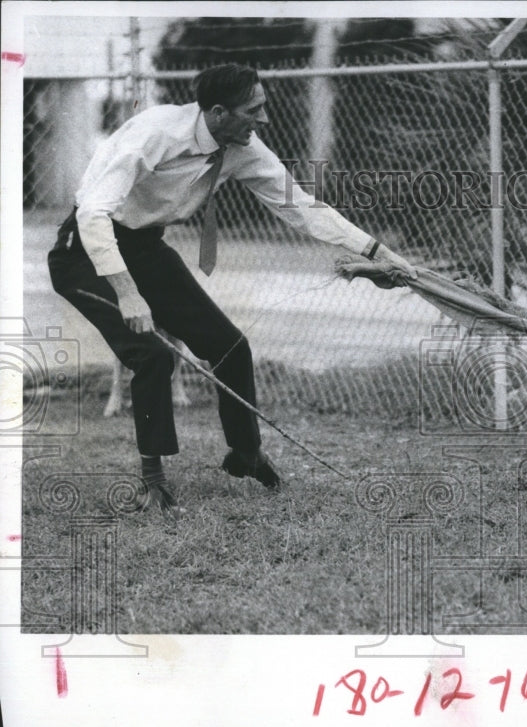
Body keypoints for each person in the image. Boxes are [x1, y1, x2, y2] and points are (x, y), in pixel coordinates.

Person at [48, 63, 415, 517]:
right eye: (254, 110)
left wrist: (377, 251)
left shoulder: (242, 146)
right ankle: (153, 483)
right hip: (84, 253)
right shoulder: (156, 133)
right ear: (219, 112)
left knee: (230, 347)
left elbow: (301, 207)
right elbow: (93, 215)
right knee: (152, 355)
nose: (264, 119)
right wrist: (127, 292)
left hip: (145, 245)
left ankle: (246, 454)